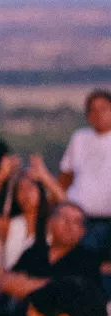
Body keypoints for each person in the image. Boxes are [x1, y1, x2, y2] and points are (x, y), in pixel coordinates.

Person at [52, 87, 111, 261]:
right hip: (76, 216)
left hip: (104, 218)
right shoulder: (80, 137)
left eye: (104, 109)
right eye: (93, 110)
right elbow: (65, 176)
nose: (98, 114)